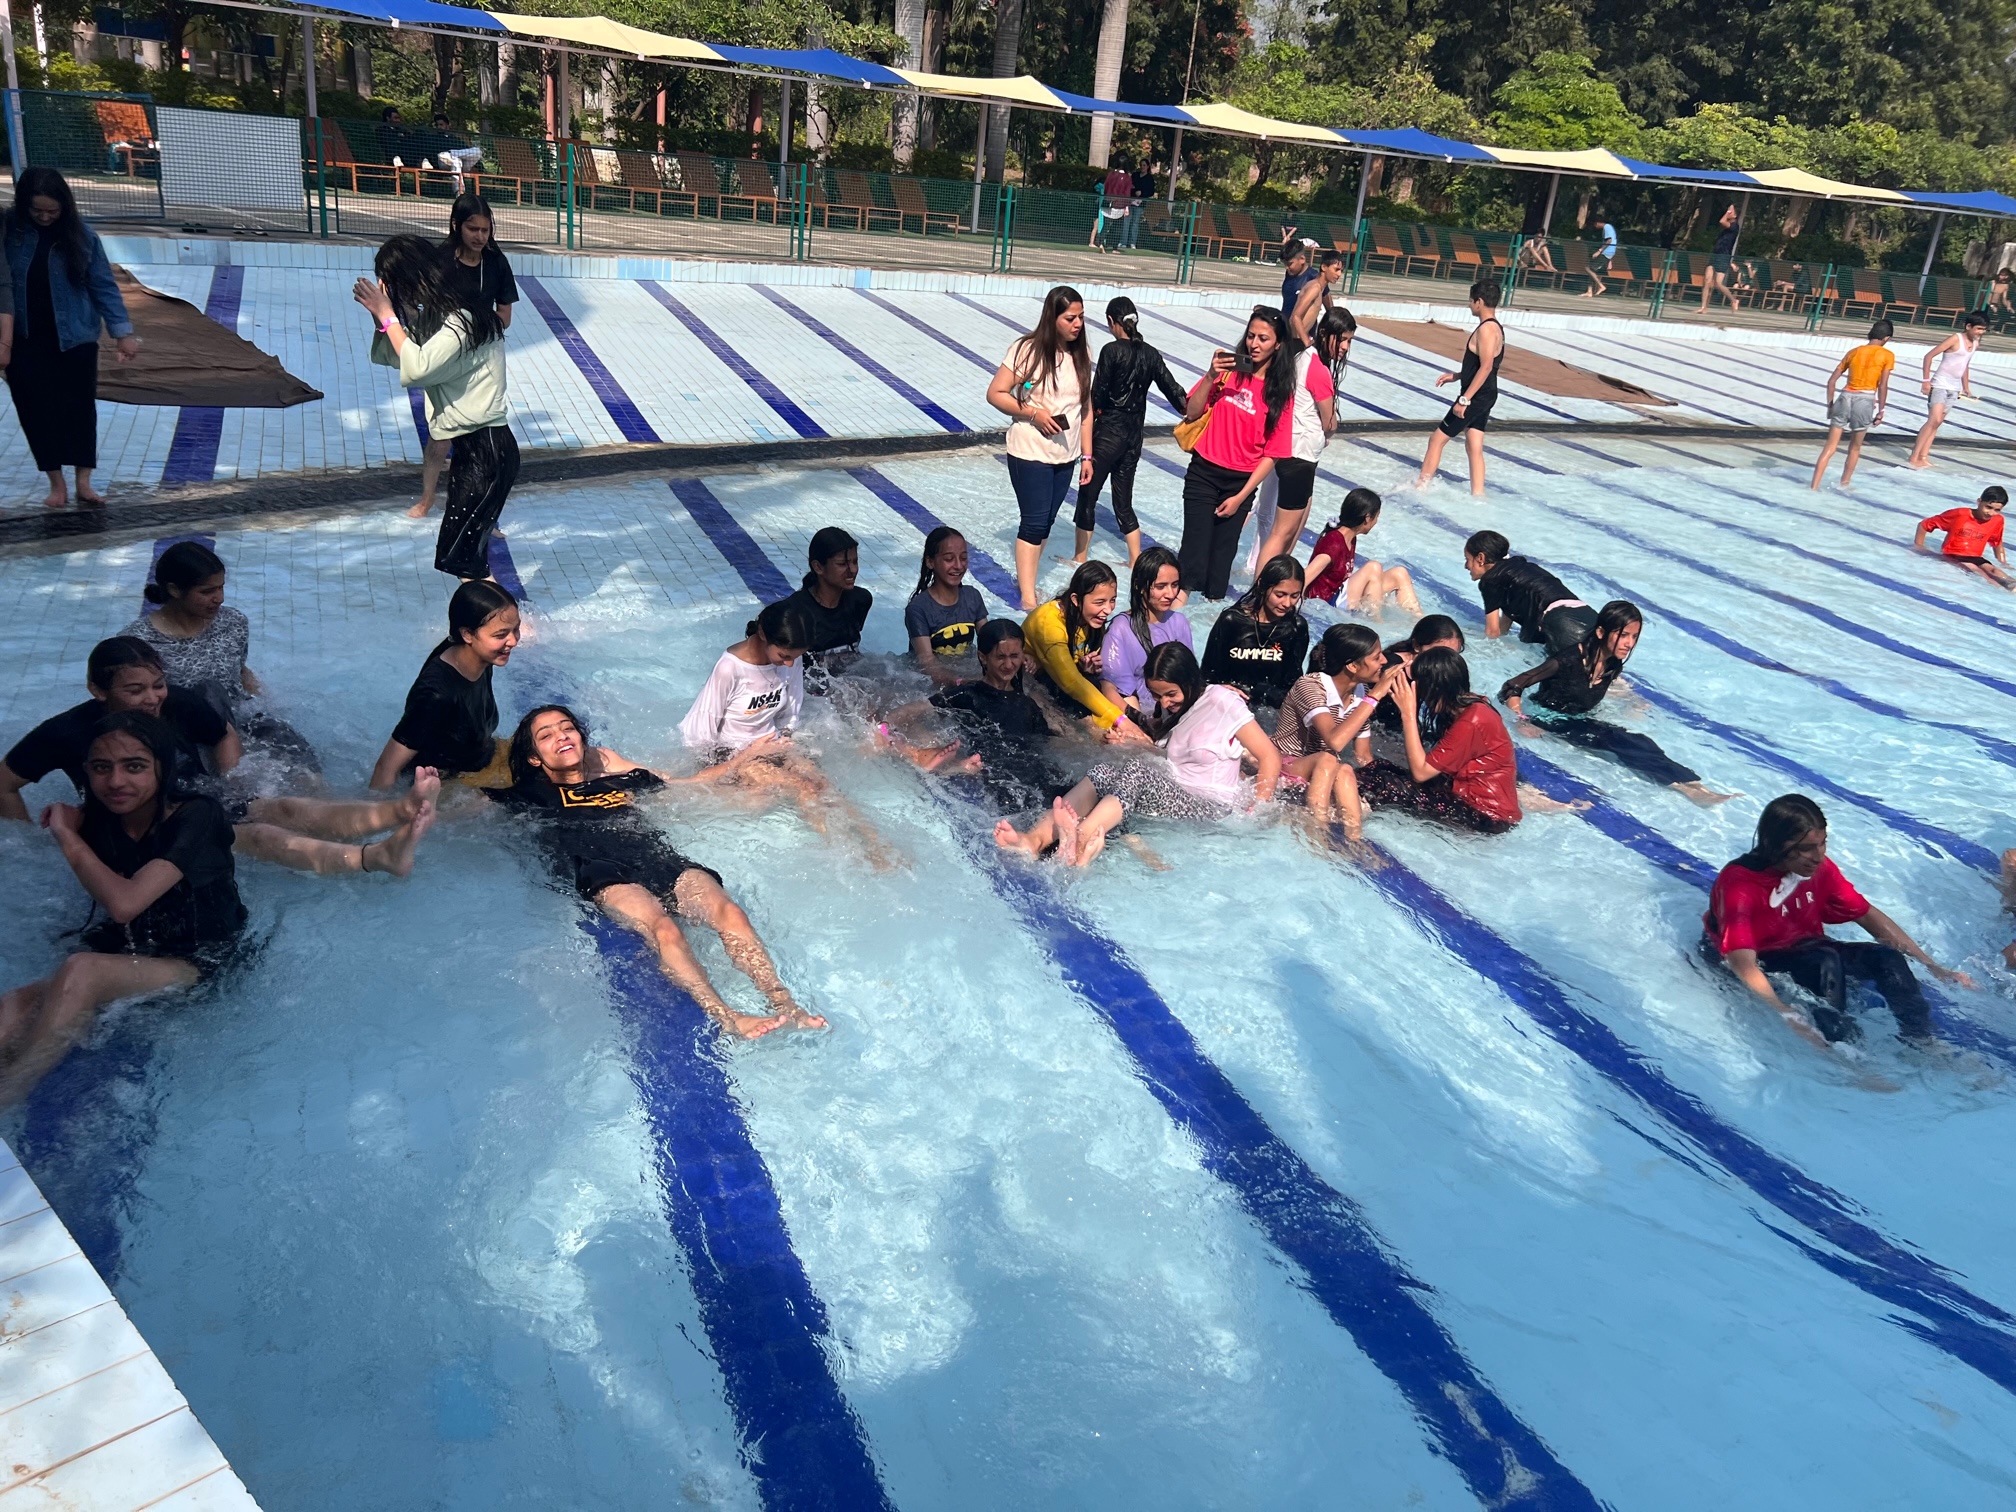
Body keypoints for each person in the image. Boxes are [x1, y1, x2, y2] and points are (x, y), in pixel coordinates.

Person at [494, 705, 824, 1039]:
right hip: (603, 872)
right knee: (664, 929)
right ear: (534, 758)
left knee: (730, 913)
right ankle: (727, 1017)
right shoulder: (528, 796)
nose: (562, 737)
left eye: (567, 728)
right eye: (546, 735)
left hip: (657, 858)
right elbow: (472, 810)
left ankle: (787, 1006)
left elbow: (691, 785)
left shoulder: (625, 780)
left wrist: (746, 757)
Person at [1, 636, 434, 875]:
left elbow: (223, 733)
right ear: (98, 691)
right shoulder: (68, 731)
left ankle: (399, 811)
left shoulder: (175, 702)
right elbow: (4, 783)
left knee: (286, 807)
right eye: (135, 691)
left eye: (157, 685)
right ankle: (374, 859)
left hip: (196, 799)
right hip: (143, 825)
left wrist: (231, 779)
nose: (152, 699)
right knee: (261, 837)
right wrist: (35, 845)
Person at [0, 713, 247, 1104]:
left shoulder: (198, 815)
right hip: (131, 948)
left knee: (83, 970)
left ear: (162, 767)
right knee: (16, 1004)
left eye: (134, 767)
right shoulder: (100, 820)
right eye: (101, 768)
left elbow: (124, 905)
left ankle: (9, 1095)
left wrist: (66, 835)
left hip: (202, 959)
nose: (115, 781)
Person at [1703, 794, 1970, 1054]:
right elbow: (1742, 963)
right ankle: (1844, 1054)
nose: (1818, 856)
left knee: (1887, 958)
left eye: (1823, 844)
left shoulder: (1818, 869)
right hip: (1759, 958)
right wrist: (1786, 1013)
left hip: (1806, 948)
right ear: (1774, 845)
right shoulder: (1740, 884)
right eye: (1806, 848)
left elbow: (1865, 914)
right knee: (1824, 962)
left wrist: (1932, 966)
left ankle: (1922, 1042)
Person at [994, 642, 1280, 868]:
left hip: (1212, 807)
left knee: (1137, 772)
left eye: (1170, 694)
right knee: (1104, 770)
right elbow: (1175, 760)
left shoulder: (1221, 700)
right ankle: (1034, 840)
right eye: (1157, 696)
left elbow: (1269, 756)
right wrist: (1132, 743)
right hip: (1178, 794)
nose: (1164, 703)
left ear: (1190, 680)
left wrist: (1255, 811)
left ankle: (1078, 842)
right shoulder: (1176, 712)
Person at [354, 234, 516, 580]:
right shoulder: (443, 317)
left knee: (466, 562)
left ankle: (505, 615)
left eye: (393, 285)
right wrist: (383, 318)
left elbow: (418, 367)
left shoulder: (464, 320)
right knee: (465, 561)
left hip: (486, 452)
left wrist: (387, 314)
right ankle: (500, 613)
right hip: (476, 452)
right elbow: (399, 355)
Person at [678, 599, 891, 861]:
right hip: (734, 753)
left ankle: (878, 846)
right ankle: (849, 856)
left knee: (822, 784)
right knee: (802, 787)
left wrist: (786, 746)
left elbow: (790, 712)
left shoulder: (792, 659)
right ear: (763, 634)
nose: (789, 665)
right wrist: (727, 770)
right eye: (784, 656)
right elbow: (699, 733)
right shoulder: (730, 668)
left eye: (795, 657)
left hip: (773, 743)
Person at [1497, 599, 1735, 805]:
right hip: (1548, 718)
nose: (1629, 643)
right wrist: (1522, 720)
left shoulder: (1613, 663)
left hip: (1579, 718)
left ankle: (1695, 785)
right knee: (1619, 745)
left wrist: (1633, 701)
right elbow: (1512, 686)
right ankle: (1686, 789)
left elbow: (1598, 687)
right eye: (1623, 635)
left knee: (1640, 742)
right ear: (1601, 633)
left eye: (1634, 636)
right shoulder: (1568, 660)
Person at [120, 540, 318, 777]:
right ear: (174, 590)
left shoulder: (233, 623)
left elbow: (241, 672)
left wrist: (272, 707)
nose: (220, 598)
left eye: (221, 588)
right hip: (187, 734)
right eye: (207, 592)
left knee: (307, 772)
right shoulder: (138, 642)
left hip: (244, 721)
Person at [4, 167, 133, 510]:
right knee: (34, 409)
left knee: (78, 409)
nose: (45, 217)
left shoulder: (82, 237)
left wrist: (122, 332)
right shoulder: (9, 231)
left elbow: (103, 285)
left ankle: (83, 482)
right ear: (23, 205)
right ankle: (56, 483)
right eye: (37, 211)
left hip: (75, 338)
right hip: (24, 338)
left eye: (53, 211)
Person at [1177, 307, 1296, 600]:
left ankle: (1209, 617)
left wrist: (1241, 497)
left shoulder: (1280, 392)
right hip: (1203, 472)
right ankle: (1178, 618)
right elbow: (1192, 412)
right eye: (1251, 336)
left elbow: (1273, 453)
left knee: (1220, 565)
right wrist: (1210, 375)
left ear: (1278, 344)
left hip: (1240, 483)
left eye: (1263, 339)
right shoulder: (1228, 373)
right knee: (1192, 556)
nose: (1254, 344)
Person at [987, 286, 1094, 609]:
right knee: (1033, 522)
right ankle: (1027, 596)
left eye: (1081, 317)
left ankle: (1028, 579)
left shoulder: (1081, 354)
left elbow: (1086, 411)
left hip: (1066, 455)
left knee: (1046, 521)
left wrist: (1087, 455)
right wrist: (1034, 413)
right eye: (1070, 318)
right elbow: (996, 393)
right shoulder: (1027, 350)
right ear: (1053, 317)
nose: (1077, 324)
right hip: (1029, 451)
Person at [412, 195, 519, 520]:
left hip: (483, 357)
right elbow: (420, 309)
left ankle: (482, 512)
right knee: (441, 435)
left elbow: (505, 316)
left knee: (483, 437)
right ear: (456, 225)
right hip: (444, 356)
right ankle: (427, 498)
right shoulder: (440, 261)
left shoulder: (496, 263)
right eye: (473, 229)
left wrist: (473, 326)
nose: (480, 236)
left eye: (486, 230)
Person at [1072, 296, 1187, 566]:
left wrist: (1086, 426)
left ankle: (1079, 557)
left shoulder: (1111, 351)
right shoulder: (1151, 354)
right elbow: (1176, 394)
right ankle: (1135, 559)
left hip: (1108, 434)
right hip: (1134, 438)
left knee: (1088, 495)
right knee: (1123, 501)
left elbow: (1097, 394)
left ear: (1111, 321)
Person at [373, 580, 519, 789]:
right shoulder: (436, 694)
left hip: (479, 761)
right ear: (467, 634)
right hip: (450, 785)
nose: (513, 641)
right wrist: (382, 809)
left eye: (516, 629)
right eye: (501, 635)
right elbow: (386, 767)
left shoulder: (481, 656)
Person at [1357, 649, 1522, 833]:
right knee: (1378, 766)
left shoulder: (1473, 721)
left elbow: (1421, 773)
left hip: (1486, 817)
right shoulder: (1467, 704)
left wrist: (1408, 713)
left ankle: (1351, 823)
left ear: (1435, 688)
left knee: (1384, 784)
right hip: (1464, 798)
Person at [915, 618, 1068, 813]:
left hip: (1035, 774)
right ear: (983, 657)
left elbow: (1047, 744)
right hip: (996, 779)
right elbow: (913, 710)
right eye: (1000, 657)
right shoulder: (967, 695)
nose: (1009, 664)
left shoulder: (1028, 705)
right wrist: (884, 727)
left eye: (1015, 656)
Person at [1272, 622, 1394, 834]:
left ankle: (1354, 838)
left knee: (1345, 770)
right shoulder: (1310, 686)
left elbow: (1363, 756)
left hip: (1323, 772)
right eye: (1376, 657)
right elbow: (1334, 741)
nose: (1384, 661)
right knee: (1328, 759)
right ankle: (1316, 831)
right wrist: (1375, 697)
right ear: (1352, 666)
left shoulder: (1361, 692)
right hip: (1286, 764)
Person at [1020, 560, 1148, 742]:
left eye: (1112, 600)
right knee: (1071, 734)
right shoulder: (1049, 625)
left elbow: (1076, 675)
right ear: (1075, 600)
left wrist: (1085, 668)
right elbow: (1071, 682)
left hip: (1061, 682)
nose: (1108, 609)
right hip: (1031, 683)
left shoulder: (1091, 618)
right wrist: (1120, 720)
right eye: (1100, 602)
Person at [1249, 315, 1337, 567]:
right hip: (1301, 454)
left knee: (1272, 518)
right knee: (1282, 532)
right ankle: (1261, 583)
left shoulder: (1297, 359)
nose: (1344, 347)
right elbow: (1329, 423)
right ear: (1325, 335)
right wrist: (1329, 430)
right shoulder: (1317, 368)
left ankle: (1262, 572)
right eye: (1342, 340)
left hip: (1284, 447)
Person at [1413, 280, 1503, 498]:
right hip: (1486, 394)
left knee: (1437, 439)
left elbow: (1486, 366)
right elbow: (1482, 366)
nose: (1469, 305)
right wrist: (1457, 376)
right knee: (1474, 445)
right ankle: (1478, 495)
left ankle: (1421, 487)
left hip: (1476, 396)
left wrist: (1465, 399)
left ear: (1479, 302)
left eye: (1471, 301)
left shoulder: (1486, 330)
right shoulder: (1495, 327)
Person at [1199, 554, 1310, 716]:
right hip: (1227, 703)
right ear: (1262, 586)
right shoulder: (1232, 621)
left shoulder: (1296, 627)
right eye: (1280, 595)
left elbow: (1292, 685)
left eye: (1294, 596)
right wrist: (1221, 690)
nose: (1287, 603)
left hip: (1268, 710)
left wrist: (1268, 694)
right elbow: (1207, 676)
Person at [1097, 547, 1190, 720]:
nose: (1170, 594)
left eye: (1175, 585)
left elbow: (1190, 680)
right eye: (1160, 586)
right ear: (1139, 586)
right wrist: (1142, 725)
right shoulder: (1121, 629)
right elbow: (1116, 690)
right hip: (1139, 714)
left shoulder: (1179, 623)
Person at [781, 526, 873, 688]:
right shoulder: (795, 612)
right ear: (818, 567)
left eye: (855, 562)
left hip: (850, 683)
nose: (852, 570)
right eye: (842, 564)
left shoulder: (861, 600)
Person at [1304, 487, 1419, 616]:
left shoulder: (1350, 538)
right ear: (1368, 518)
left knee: (1399, 574)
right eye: (1376, 517)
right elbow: (1305, 577)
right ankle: (1376, 622)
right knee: (1373, 567)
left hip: (1340, 595)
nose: (1376, 522)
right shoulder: (1334, 543)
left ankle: (1419, 621)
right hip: (1328, 601)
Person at [1463, 530, 1585, 650]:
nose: (1466, 566)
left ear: (1480, 558)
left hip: (1560, 625)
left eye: (1467, 559)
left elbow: (1492, 633)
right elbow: (1505, 622)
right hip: (1584, 615)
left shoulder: (1490, 581)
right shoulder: (1518, 568)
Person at [1809, 320, 1894, 491]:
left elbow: (1831, 381)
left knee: (1830, 446)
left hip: (1845, 397)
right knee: (1855, 447)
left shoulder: (1854, 352)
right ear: (1886, 338)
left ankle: (1814, 486)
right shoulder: (1887, 355)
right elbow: (1883, 385)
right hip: (1865, 399)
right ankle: (1844, 484)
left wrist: (1830, 406)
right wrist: (1881, 410)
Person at [1906, 312, 1986, 469]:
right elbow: (1929, 356)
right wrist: (1926, 381)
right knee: (1933, 420)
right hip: (1940, 385)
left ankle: (1923, 456)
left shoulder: (1975, 344)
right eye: (1978, 328)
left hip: (1954, 388)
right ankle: (1914, 456)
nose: (1981, 332)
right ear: (1968, 326)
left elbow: (1965, 365)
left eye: (1983, 329)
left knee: (1938, 423)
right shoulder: (1955, 339)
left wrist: (1966, 387)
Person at [905, 526, 987, 673]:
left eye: (963, 558)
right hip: (925, 680)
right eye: (949, 559)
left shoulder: (972, 597)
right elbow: (928, 665)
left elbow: (991, 642)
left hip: (963, 671)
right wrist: (964, 681)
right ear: (930, 562)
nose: (958, 566)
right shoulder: (918, 609)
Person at [1913, 486, 2012, 589]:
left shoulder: (1997, 520)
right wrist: (1919, 545)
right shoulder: (1959, 514)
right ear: (1979, 501)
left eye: (1997, 510)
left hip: (1976, 557)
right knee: (1978, 573)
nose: (1991, 513)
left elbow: (1997, 542)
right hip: (1953, 555)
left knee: (1996, 572)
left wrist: (2003, 563)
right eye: (1988, 507)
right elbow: (1924, 525)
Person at [1289, 250, 1346, 344]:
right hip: (1295, 342)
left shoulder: (1320, 289)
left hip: (1299, 340)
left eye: (1341, 271)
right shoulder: (1314, 288)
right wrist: (1306, 341)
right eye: (1336, 269)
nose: (1339, 274)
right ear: (1324, 267)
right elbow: (1295, 316)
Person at [429, 112, 485, 194]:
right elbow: (430, 154)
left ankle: (452, 153)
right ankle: (460, 191)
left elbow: (467, 151)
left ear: (447, 126)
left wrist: (480, 168)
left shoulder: (455, 140)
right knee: (453, 160)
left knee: (477, 151)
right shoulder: (433, 139)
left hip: (460, 163)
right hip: (443, 162)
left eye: (441, 125)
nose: (439, 127)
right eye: (437, 125)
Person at [1701, 205, 1742, 313]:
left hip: (1723, 256)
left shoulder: (1734, 226)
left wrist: (1728, 212)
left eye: (1731, 211)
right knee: (1707, 281)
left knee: (1718, 283)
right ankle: (1703, 307)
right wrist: (1729, 210)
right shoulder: (1726, 228)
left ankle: (1733, 300)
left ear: (1735, 215)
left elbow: (1722, 221)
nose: (1728, 212)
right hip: (1715, 254)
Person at [1098, 160, 1133, 252]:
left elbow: (1105, 186)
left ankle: (1101, 243)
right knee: (1118, 227)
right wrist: (1127, 207)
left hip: (1108, 201)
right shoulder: (1127, 177)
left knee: (1106, 225)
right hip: (1120, 204)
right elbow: (1127, 193)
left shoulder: (1111, 174)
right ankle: (1114, 247)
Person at [1581, 212, 1617, 298]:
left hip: (1606, 253)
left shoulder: (1607, 227)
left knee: (1588, 268)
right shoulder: (1609, 228)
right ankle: (1589, 291)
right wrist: (1610, 260)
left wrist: (1599, 251)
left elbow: (1609, 241)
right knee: (1591, 269)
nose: (1595, 226)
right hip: (1608, 253)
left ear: (1598, 223)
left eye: (1595, 224)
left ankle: (1601, 286)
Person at [1279, 240, 1318, 315]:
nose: (1286, 267)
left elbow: (1329, 306)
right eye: (1284, 264)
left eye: (1289, 264)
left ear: (1302, 259)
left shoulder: (1314, 277)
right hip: (1285, 321)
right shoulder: (1289, 274)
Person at [1126, 162, 1154, 249]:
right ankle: (1123, 242)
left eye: (1144, 165)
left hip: (1140, 204)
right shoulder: (1135, 175)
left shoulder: (1149, 178)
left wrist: (1142, 193)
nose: (1142, 167)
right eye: (1141, 165)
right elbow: (1130, 186)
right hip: (1130, 202)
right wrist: (1135, 191)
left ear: (1148, 167)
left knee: (1135, 222)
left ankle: (1132, 242)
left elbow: (1151, 191)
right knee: (1126, 221)